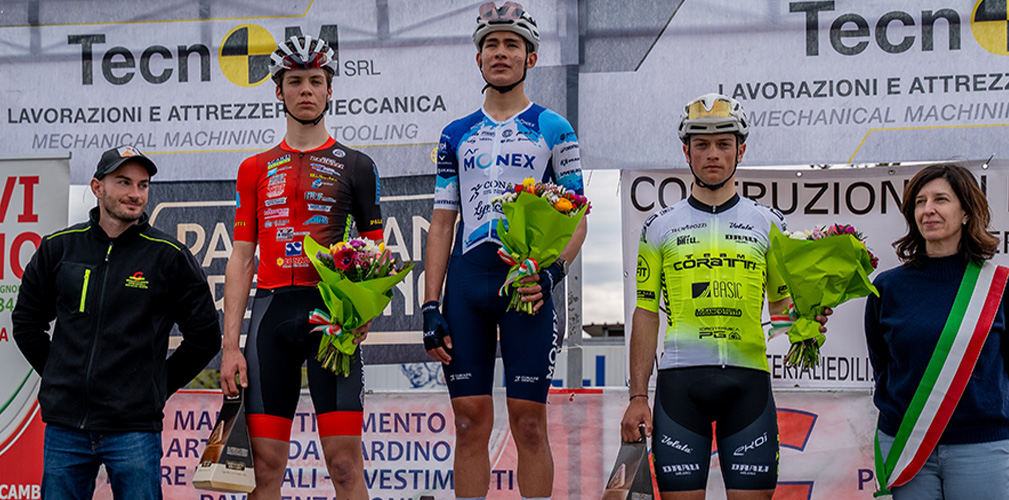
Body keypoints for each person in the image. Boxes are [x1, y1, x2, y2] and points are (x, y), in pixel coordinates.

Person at [619, 93, 830, 499]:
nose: (712, 154)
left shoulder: (769, 223)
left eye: (723, 144)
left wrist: (806, 320)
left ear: (741, 150)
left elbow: (779, 309)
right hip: (681, 386)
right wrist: (638, 396)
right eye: (701, 144)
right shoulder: (659, 226)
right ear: (686, 152)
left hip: (748, 385)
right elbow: (646, 313)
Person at [422, 2, 587, 498]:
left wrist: (552, 275)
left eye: (511, 44)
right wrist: (430, 304)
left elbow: (578, 217)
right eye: (490, 45)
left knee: (529, 423)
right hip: (467, 285)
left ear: (530, 58)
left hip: (527, 287)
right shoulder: (455, 134)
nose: (500, 52)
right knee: (469, 422)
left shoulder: (555, 128)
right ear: (478, 58)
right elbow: (443, 221)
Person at [219, 34, 383, 500]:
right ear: (279, 91)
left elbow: (375, 251)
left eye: (315, 81)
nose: (305, 90)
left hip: (332, 317)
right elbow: (242, 258)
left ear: (330, 90)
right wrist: (229, 347)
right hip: (271, 314)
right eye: (295, 82)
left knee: (345, 466)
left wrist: (363, 313)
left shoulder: (357, 165)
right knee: (265, 467)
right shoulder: (254, 168)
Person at [12, 146, 221, 499]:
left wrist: (155, 387)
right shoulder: (58, 247)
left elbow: (205, 337)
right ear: (97, 187)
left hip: (133, 429)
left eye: (143, 185)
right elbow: (26, 322)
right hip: (66, 428)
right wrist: (60, 375)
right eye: (124, 182)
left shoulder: (169, 256)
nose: (135, 194)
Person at [865, 163, 1009, 500]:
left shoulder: (998, 287)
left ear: (966, 212)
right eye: (920, 201)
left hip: (982, 447)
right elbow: (882, 363)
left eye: (941, 199)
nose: (928, 209)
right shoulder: (888, 287)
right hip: (905, 444)